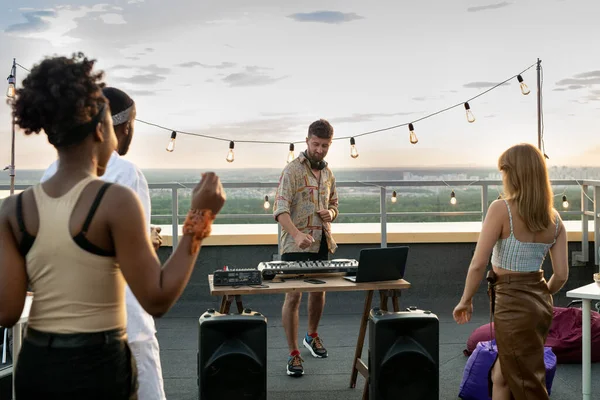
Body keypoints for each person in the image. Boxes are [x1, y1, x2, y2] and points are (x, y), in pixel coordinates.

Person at [0, 52, 226, 399]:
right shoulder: (116, 202)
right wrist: (200, 218)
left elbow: (8, 310)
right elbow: (157, 297)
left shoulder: (11, 211)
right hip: (99, 364)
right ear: (100, 129)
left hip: (37, 367)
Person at [40, 86, 167, 400]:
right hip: (125, 320)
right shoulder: (128, 174)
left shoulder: (50, 173)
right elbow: (131, 259)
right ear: (122, 127)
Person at [453, 143, 568, 400]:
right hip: (539, 301)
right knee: (502, 375)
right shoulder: (556, 219)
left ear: (513, 174)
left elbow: (478, 263)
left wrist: (465, 299)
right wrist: (538, 295)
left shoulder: (501, 209)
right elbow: (561, 275)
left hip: (511, 303)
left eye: (504, 171)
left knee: (527, 383)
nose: (502, 177)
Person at [273, 119, 339, 377]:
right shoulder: (291, 171)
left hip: (322, 242)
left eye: (325, 146)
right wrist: (297, 233)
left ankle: (311, 336)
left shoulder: (329, 173)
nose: (320, 150)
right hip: (295, 243)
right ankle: (293, 354)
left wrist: (331, 213)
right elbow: (279, 210)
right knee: (294, 296)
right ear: (307, 141)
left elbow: (335, 204)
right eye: (316, 144)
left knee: (319, 292)